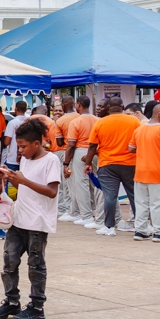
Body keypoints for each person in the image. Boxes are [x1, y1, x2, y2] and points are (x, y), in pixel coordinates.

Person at [0, 118, 61, 319]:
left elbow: (51, 191)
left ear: (36, 144)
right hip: (19, 219)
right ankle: (12, 301)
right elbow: (24, 189)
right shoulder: (26, 160)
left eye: (23, 147)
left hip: (37, 223)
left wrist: (23, 180)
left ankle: (37, 306)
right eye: (18, 146)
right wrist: (11, 179)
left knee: (36, 265)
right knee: (9, 262)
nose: (20, 151)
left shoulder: (51, 161)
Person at [84, 99, 138, 236]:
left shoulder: (100, 123)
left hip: (107, 164)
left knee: (110, 197)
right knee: (134, 195)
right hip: (130, 163)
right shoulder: (134, 121)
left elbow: (92, 145)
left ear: (108, 108)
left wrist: (88, 163)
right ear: (122, 106)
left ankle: (109, 227)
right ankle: (140, 224)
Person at [129, 103, 160, 242]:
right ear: (159, 114)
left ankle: (141, 230)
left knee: (141, 203)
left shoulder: (139, 129)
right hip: (159, 173)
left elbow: (131, 148)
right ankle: (159, 232)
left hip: (141, 172)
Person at [61, 98, 100, 228]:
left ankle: (86, 215)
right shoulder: (97, 120)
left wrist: (66, 163)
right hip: (95, 152)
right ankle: (96, 211)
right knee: (95, 183)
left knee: (81, 184)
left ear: (79, 105)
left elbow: (71, 145)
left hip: (80, 151)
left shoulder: (75, 122)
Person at [1, 101, 29, 171]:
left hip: (13, 158)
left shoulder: (12, 123)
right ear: (25, 110)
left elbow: (7, 142)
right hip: (27, 157)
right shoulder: (29, 122)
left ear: (15, 109)